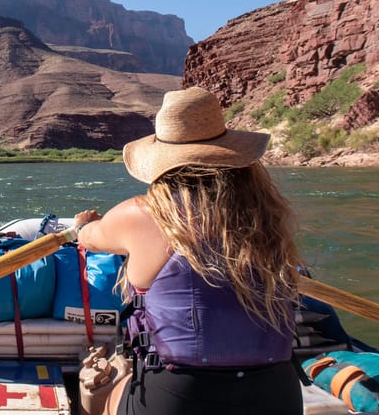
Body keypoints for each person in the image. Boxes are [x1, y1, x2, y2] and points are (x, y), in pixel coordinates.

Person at [74, 87, 303, 415]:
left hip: (179, 395)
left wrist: (84, 224)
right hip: (277, 394)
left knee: (101, 389)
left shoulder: (141, 213)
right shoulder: (269, 218)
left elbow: (89, 239)